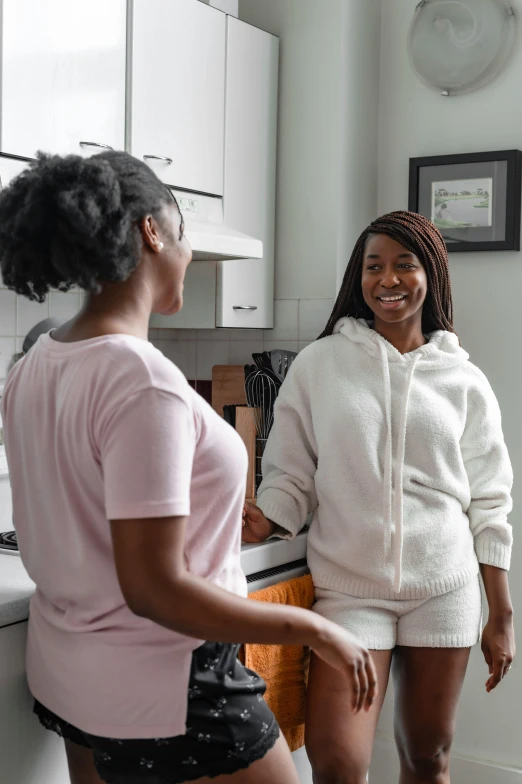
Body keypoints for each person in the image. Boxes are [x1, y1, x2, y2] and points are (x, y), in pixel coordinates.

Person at [0, 151, 377, 784]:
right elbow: (155, 588)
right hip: (171, 685)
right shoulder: (142, 380)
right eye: (185, 230)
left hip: (71, 678)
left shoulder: (33, 365)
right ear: (153, 230)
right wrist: (311, 628)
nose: (190, 251)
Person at [243, 210, 515, 784]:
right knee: (338, 764)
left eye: (403, 265)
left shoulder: (464, 380)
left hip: (443, 589)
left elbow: (491, 502)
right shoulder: (320, 365)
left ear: (430, 275)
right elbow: (291, 470)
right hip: (350, 593)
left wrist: (502, 613)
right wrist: (266, 520)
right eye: (374, 267)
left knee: (427, 756)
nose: (387, 279)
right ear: (358, 278)